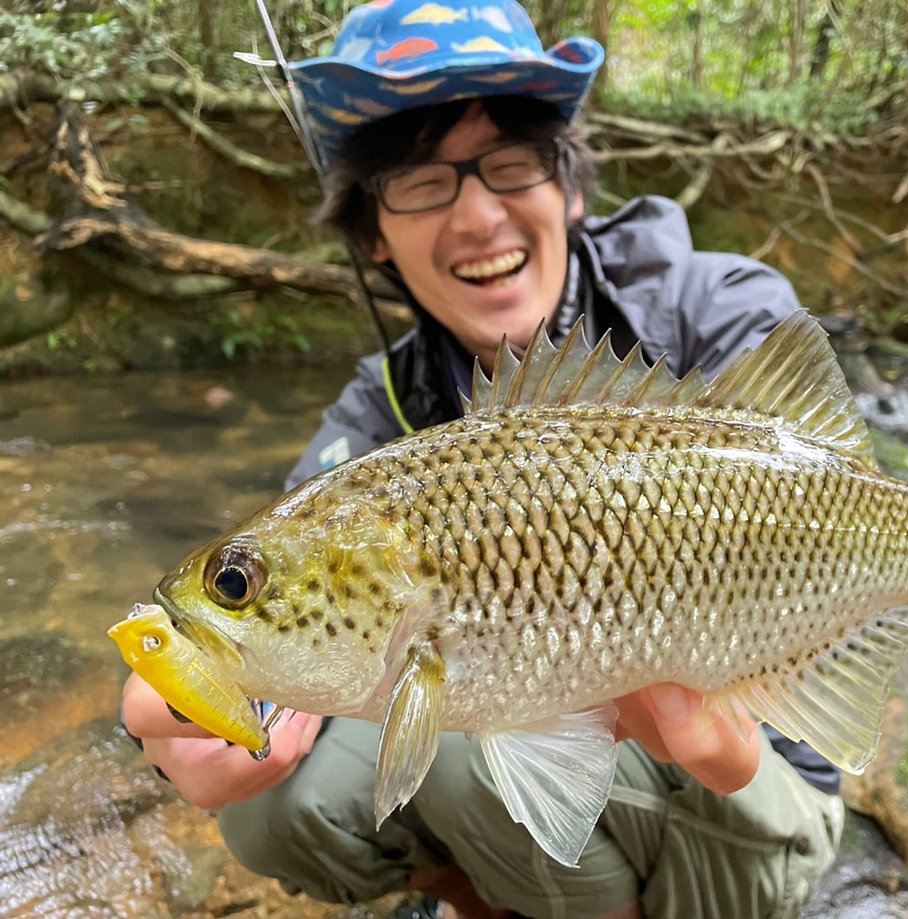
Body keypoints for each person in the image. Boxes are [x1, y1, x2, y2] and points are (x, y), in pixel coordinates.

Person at [120, 2, 844, 917]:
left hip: (761, 796)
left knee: (466, 739)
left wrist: (757, 695)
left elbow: (842, 500)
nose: (477, 212)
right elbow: (299, 604)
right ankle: (489, 895)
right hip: (557, 752)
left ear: (569, 186)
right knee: (276, 808)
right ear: (372, 233)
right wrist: (165, 708)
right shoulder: (380, 411)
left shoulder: (718, 313)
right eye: (421, 181)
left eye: (511, 165)